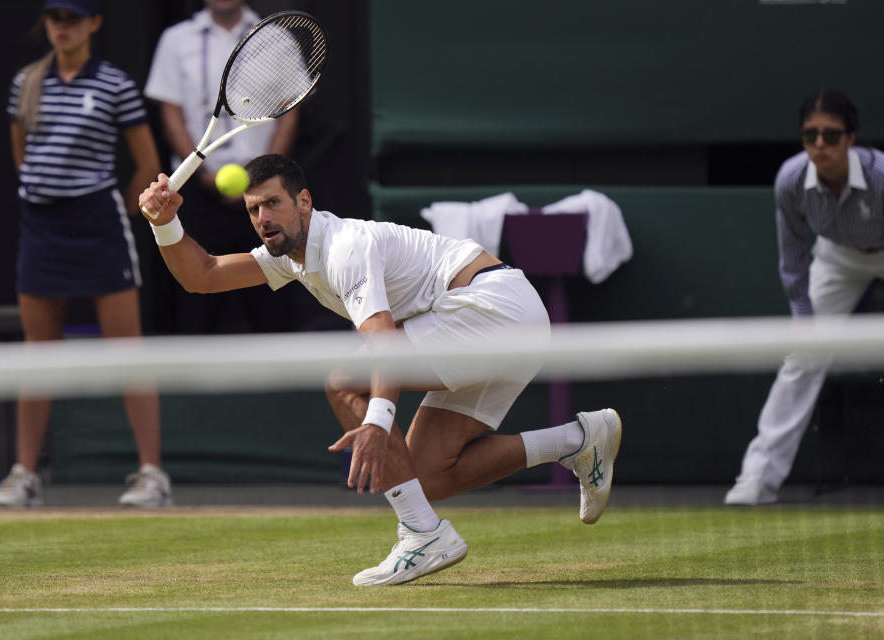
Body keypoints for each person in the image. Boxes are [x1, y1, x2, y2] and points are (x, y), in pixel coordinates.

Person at [138, 154, 622, 585]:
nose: (263, 218)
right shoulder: (292, 258)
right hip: (505, 319)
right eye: (253, 210)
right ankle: (578, 440)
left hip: (492, 310)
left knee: (345, 381)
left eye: (272, 204)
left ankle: (421, 534)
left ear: (304, 201)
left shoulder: (347, 246)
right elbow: (201, 276)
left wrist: (374, 421)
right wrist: (165, 224)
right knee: (428, 475)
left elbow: (383, 346)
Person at [0, 0, 172, 508]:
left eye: (72, 19)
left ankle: (152, 474)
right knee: (38, 355)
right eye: (54, 19)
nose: (61, 28)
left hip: (98, 224)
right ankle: (25, 473)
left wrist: (113, 208)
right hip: (41, 227)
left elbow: (147, 164)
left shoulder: (115, 84)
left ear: (94, 23)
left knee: (126, 353)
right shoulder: (26, 82)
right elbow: (22, 155)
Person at [725, 89, 884, 506]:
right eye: (810, 135)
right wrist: (803, 315)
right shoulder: (790, 179)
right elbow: (794, 255)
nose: (820, 145)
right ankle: (756, 480)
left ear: (851, 139)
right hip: (837, 257)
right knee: (802, 355)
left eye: (831, 136)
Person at [143, 0, 299, 334]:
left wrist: (267, 176)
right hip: (196, 195)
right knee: (196, 297)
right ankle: (197, 382)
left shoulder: (277, 38)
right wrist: (202, 174)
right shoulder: (176, 39)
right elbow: (171, 115)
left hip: (263, 193)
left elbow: (289, 112)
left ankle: (276, 382)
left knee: (271, 290)